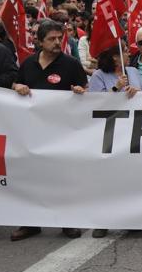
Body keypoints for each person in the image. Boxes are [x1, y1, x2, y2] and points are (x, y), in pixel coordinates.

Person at [11, 19, 88, 241]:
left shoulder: (71, 64)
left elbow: (84, 87)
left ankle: (67, 222)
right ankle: (30, 223)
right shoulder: (28, 63)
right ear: (39, 41)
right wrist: (18, 87)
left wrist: (79, 90)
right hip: (33, 132)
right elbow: (15, 84)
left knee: (61, 178)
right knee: (32, 177)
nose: (57, 42)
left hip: (61, 132)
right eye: (51, 39)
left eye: (59, 38)